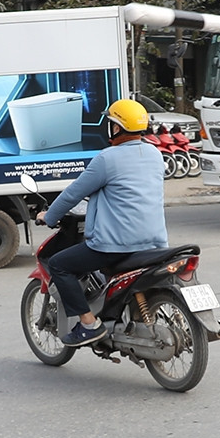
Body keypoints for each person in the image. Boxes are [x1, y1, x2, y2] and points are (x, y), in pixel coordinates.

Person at [38, 99, 167, 347]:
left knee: (59, 265)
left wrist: (50, 216)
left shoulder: (107, 159)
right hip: (154, 243)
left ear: (116, 128)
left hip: (115, 246)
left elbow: (73, 194)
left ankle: (89, 324)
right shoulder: (154, 153)